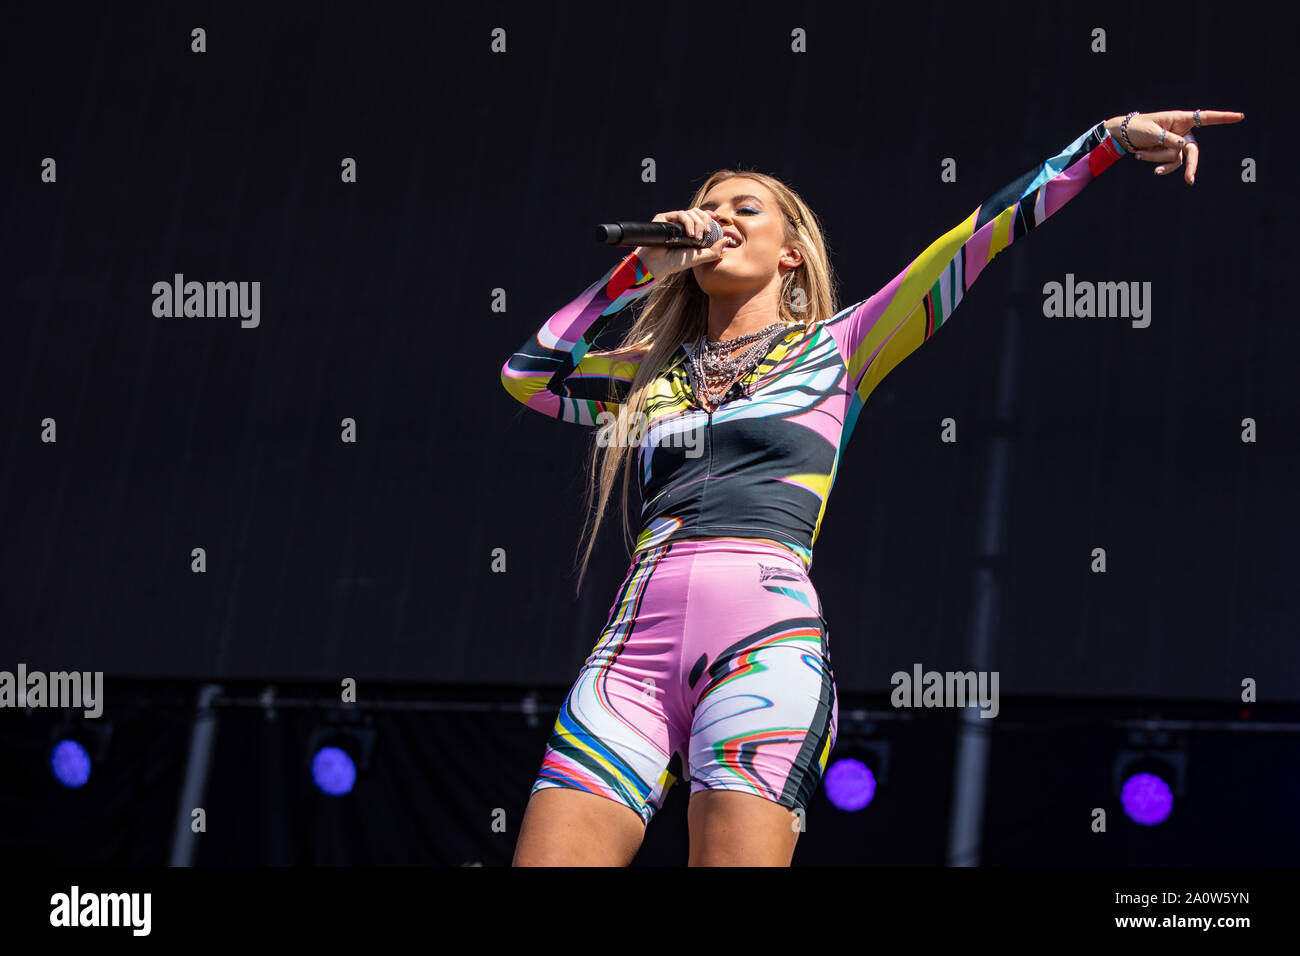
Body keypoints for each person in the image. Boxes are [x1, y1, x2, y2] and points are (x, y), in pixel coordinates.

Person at [500, 109, 1243, 866]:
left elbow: (974, 240)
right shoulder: (647, 375)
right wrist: (635, 276)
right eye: (709, 208)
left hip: (761, 653)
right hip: (630, 654)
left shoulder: (841, 348)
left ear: (790, 255)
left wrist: (1106, 141)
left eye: (742, 209)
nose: (716, 219)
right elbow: (527, 376)